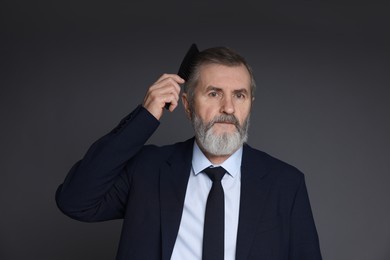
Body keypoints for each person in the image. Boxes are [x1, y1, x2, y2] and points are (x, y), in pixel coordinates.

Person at [56, 46, 322, 260]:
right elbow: (74, 201)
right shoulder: (148, 170)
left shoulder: (286, 184)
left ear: (250, 104)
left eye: (239, 95)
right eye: (214, 93)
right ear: (187, 105)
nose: (228, 108)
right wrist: (145, 117)